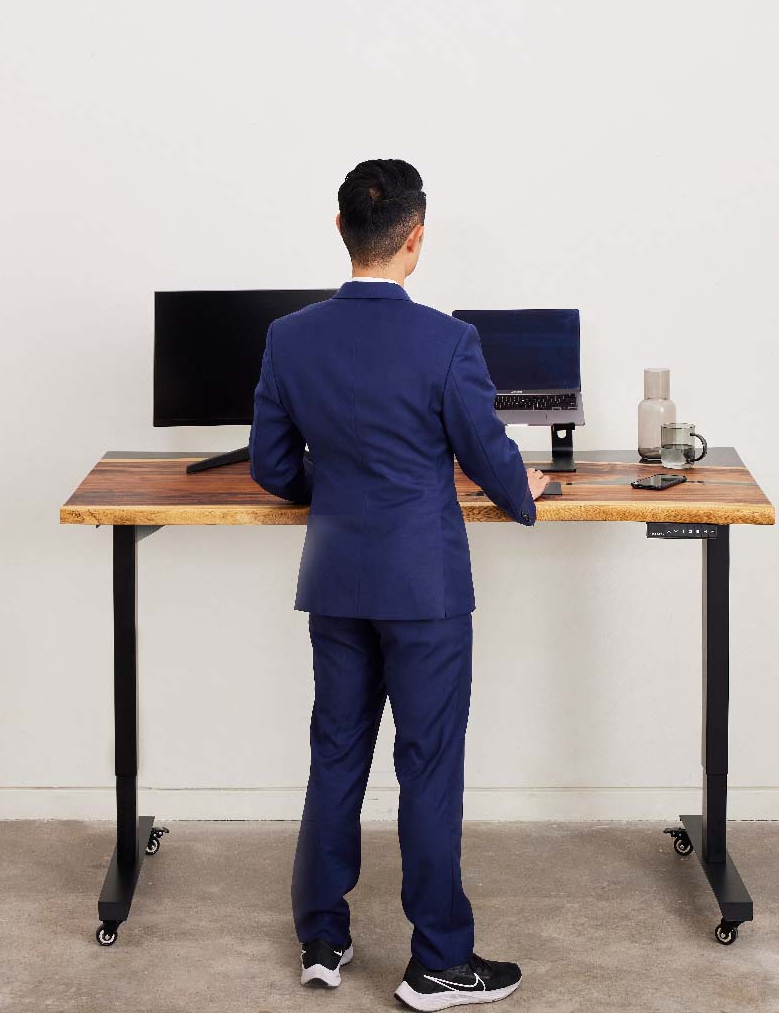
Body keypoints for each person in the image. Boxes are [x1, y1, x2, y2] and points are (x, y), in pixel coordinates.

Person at [248, 158, 549, 1010]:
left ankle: (321, 939)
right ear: (415, 238)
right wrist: (528, 500)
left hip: (336, 578)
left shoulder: (289, 337)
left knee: (335, 751)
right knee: (428, 766)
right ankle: (438, 964)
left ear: (341, 231)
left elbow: (274, 467)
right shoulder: (447, 342)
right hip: (423, 586)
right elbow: (489, 454)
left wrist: (332, 491)